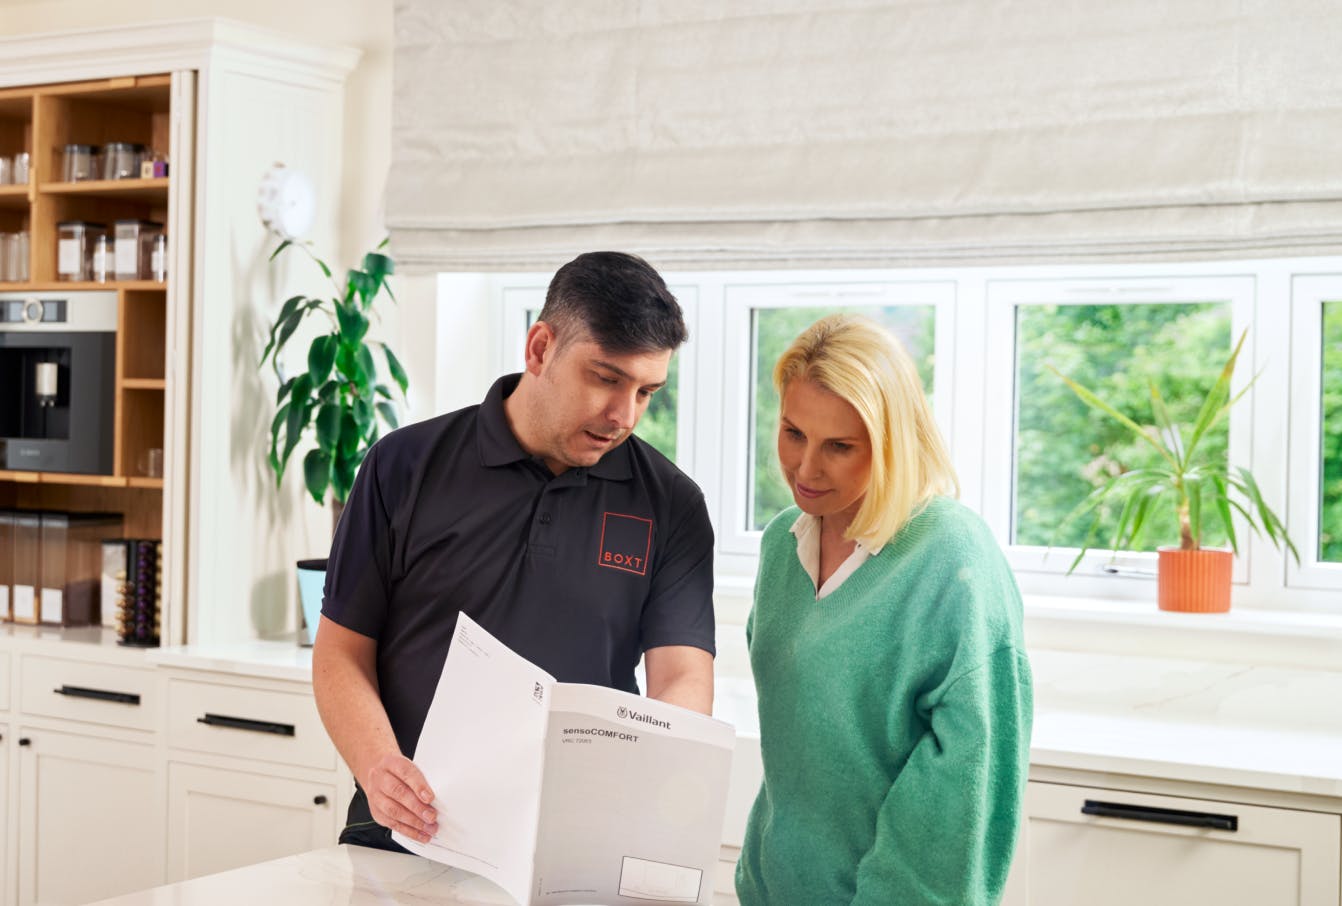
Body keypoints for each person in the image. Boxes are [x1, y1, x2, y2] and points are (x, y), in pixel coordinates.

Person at [313, 251, 717, 853]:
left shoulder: (672, 505)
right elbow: (341, 655)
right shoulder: (402, 466)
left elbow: (684, 676)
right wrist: (378, 767)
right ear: (540, 348)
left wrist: (645, 773)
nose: (623, 415)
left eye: (646, 391)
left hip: (573, 847)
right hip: (403, 835)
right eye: (606, 379)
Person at [735, 314, 1032, 905]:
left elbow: (967, 790)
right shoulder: (782, 546)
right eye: (794, 433)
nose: (806, 468)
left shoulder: (952, 556)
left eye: (839, 447)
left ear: (893, 442)